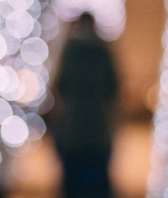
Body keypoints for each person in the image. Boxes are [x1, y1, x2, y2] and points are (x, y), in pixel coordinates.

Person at [50, 12, 119, 198]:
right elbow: (113, 87)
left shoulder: (70, 51)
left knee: (73, 185)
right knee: (97, 186)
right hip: (98, 131)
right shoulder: (103, 50)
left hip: (73, 131)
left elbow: (60, 85)